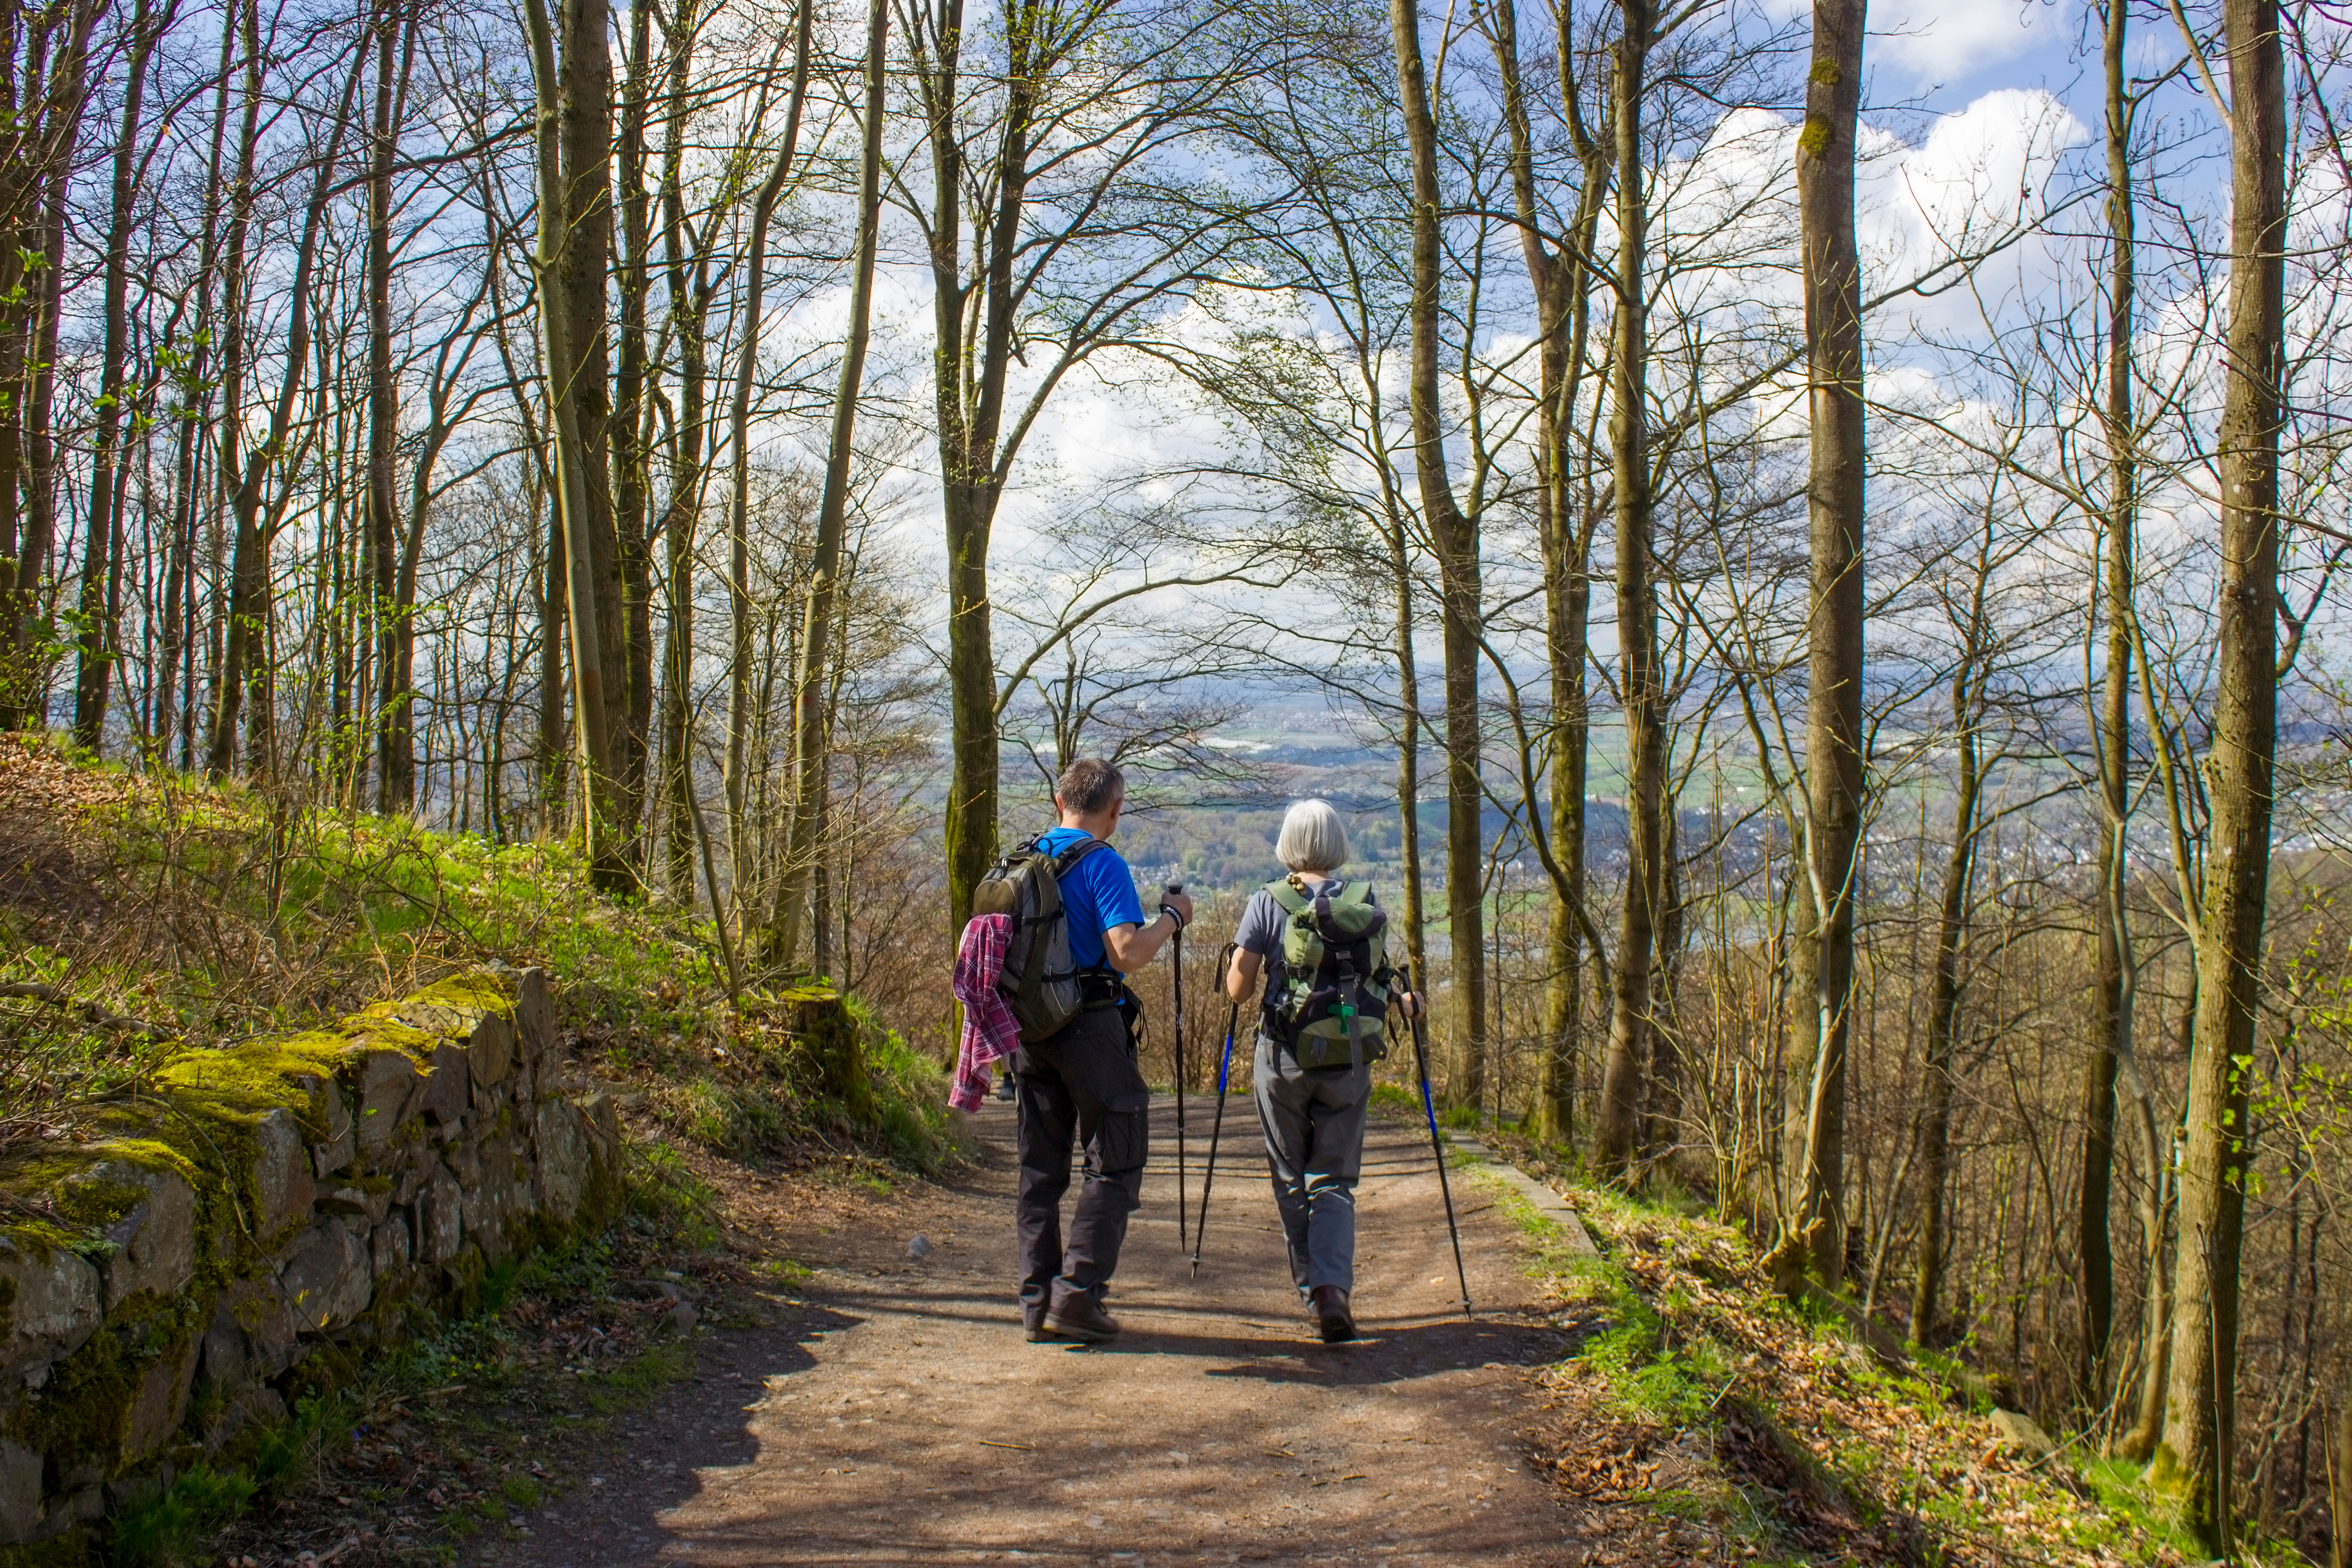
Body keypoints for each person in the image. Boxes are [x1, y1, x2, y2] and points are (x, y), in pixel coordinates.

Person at [1225, 799, 1421, 1343]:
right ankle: (1334, 1291)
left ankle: (1314, 1292)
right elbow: (1384, 976)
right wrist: (1408, 1000)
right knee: (1334, 1179)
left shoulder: (1268, 901)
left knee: (1291, 1176)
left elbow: (1238, 992)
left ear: (1289, 844)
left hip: (1283, 1058)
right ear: (1337, 845)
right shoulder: (1362, 902)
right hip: (1349, 1058)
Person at [1012, 757, 1192, 1344]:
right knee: (1115, 1160)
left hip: (1029, 1032)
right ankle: (1080, 1293)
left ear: (1058, 800)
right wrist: (1170, 919)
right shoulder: (1102, 862)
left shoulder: (1022, 857)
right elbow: (1126, 953)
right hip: (1090, 1029)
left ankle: (1036, 1303)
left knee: (1041, 1170)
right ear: (1113, 810)